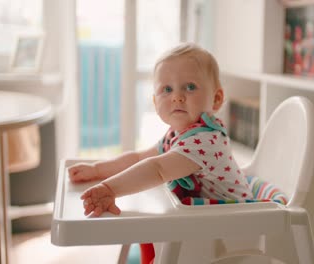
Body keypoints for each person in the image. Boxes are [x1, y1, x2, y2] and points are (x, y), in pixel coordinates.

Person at [68, 43, 254, 263]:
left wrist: (111, 189)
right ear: (155, 102)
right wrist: (98, 169)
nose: (177, 96)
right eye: (167, 89)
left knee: (153, 226)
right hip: (209, 221)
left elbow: (157, 169)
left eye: (190, 87)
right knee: (148, 228)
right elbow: (139, 158)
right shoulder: (179, 133)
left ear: (216, 98)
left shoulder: (206, 141)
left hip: (235, 229)